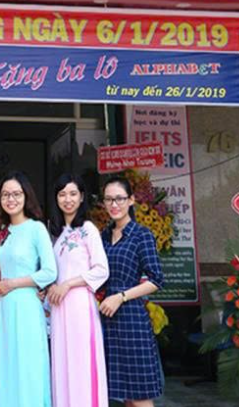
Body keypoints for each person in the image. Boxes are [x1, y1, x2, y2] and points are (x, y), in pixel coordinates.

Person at [99, 176, 165, 407]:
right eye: (109, 199)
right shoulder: (102, 236)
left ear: (131, 200)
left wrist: (121, 297)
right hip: (107, 318)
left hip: (132, 319)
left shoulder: (141, 235)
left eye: (119, 198)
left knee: (139, 395)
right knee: (123, 394)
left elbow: (156, 280)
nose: (114, 204)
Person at [0, 171, 57, 407]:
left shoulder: (36, 228)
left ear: (26, 196)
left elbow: (50, 272)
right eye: (5, 194)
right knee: (10, 365)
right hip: (6, 308)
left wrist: (13, 283)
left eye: (16, 194)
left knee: (29, 366)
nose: (11, 199)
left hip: (27, 306)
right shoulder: (5, 231)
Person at [47, 174, 109, 407]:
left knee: (82, 363)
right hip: (58, 307)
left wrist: (68, 284)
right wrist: (50, 289)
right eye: (62, 194)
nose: (68, 199)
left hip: (80, 305)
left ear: (82, 197)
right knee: (62, 364)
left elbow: (101, 270)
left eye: (73, 194)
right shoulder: (56, 232)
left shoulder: (88, 229)